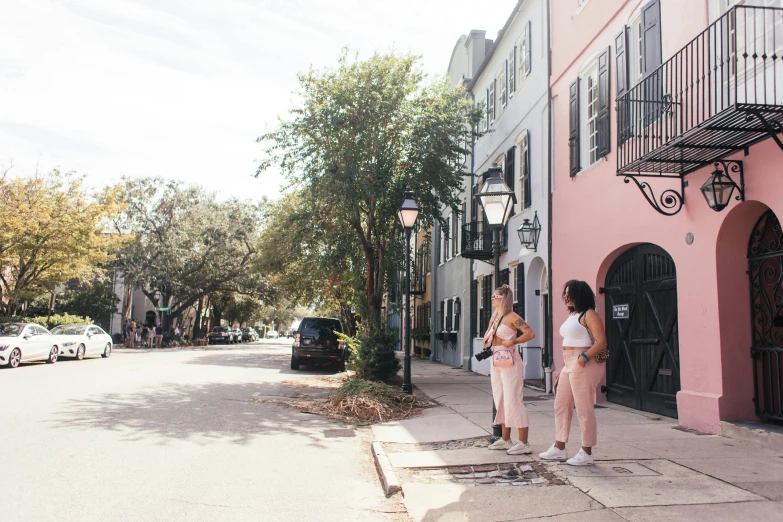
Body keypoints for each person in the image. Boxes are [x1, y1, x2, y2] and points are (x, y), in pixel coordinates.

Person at [539, 280, 608, 466]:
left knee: (584, 408)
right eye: (565, 293)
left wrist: (583, 358)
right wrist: (563, 367)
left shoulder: (589, 314)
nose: (566, 297)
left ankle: (587, 451)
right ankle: (559, 447)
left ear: (580, 294)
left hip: (584, 362)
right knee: (561, 405)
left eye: (570, 293)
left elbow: (601, 341)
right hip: (569, 363)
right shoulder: (573, 315)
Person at [482, 284, 536, 455]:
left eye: (495, 296)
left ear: (503, 298)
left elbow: (530, 333)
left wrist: (514, 341)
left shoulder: (513, 317)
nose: (492, 298)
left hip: (510, 359)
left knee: (514, 399)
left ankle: (524, 442)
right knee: (501, 399)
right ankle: (506, 439)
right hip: (496, 359)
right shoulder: (495, 316)